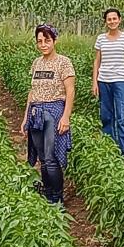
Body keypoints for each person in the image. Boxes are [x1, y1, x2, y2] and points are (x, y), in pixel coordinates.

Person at [20, 24, 75, 207]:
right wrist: (26, 116)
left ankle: (57, 198)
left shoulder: (63, 62)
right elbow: (32, 91)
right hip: (36, 113)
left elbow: (70, 90)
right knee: (43, 158)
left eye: (47, 41)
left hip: (54, 112)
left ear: (54, 41)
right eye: (39, 41)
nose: (43, 44)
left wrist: (66, 117)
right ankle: (48, 192)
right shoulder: (36, 63)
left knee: (51, 158)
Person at [92, 8, 124, 158]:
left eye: (114, 18)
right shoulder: (101, 39)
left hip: (120, 81)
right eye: (109, 19)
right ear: (105, 22)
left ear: (119, 20)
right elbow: (97, 61)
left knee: (122, 114)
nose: (112, 21)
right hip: (104, 80)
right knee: (106, 115)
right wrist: (95, 81)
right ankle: (110, 146)